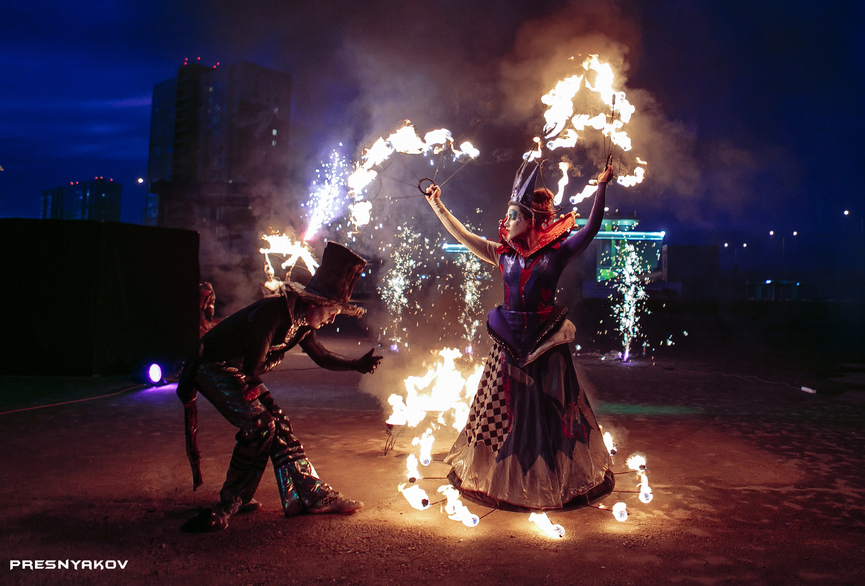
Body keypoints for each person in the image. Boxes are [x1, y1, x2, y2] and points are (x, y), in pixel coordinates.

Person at [424, 159, 615, 511]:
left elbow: (589, 231)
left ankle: (549, 475)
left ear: (532, 221)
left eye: (514, 216)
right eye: (508, 215)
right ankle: (501, 474)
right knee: (501, 411)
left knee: (553, 412)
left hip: (547, 343)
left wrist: (601, 187)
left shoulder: (556, 254)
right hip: (508, 343)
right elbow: (463, 235)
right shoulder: (502, 254)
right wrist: (437, 203)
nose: (507, 222)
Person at [177, 241, 383, 532]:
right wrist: (276, 358)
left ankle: (312, 496)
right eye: (332, 310)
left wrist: (355, 364)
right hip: (211, 367)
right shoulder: (275, 314)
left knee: (279, 425)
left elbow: (321, 356)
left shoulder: (302, 323)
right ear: (315, 304)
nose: (333, 318)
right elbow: (253, 366)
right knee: (261, 427)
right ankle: (227, 505)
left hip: (239, 371)